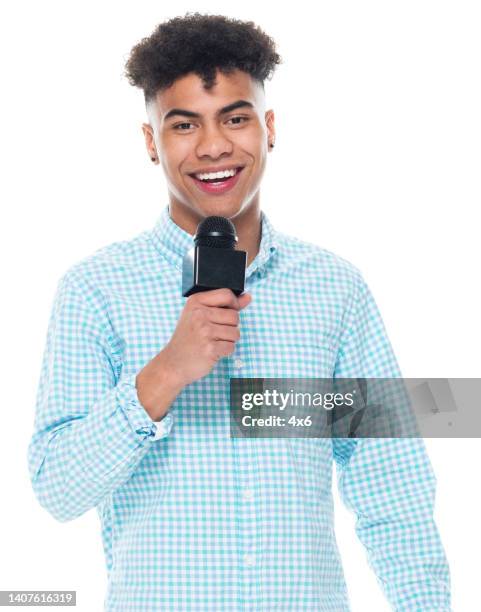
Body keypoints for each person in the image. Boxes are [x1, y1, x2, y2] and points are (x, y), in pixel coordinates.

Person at [27, 12, 451, 612]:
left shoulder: (334, 289)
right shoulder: (96, 290)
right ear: (151, 142)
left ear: (268, 127)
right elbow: (58, 489)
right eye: (183, 124)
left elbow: (391, 483)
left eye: (235, 117)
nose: (214, 146)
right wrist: (164, 374)